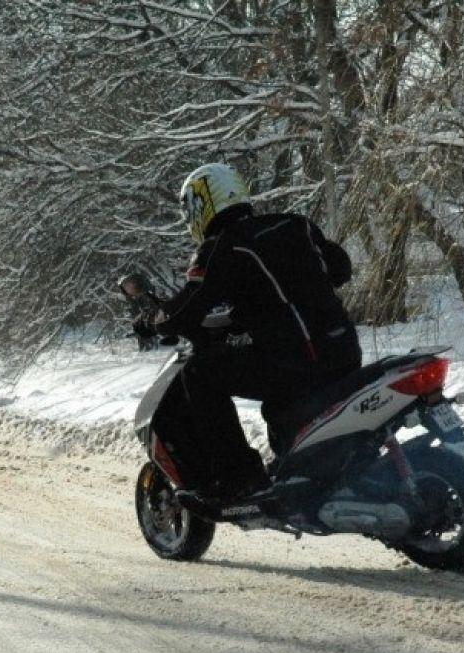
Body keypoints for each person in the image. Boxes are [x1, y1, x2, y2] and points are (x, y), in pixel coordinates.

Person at [134, 163, 361, 508]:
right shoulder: (297, 225)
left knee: (201, 375)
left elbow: (188, 307)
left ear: (202, 206)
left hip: (296, 360)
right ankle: (303, 470)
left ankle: (240, 477)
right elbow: (340, 268)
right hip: (343, 351)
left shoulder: (222, 248)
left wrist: (153, 320)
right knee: (279, 400)